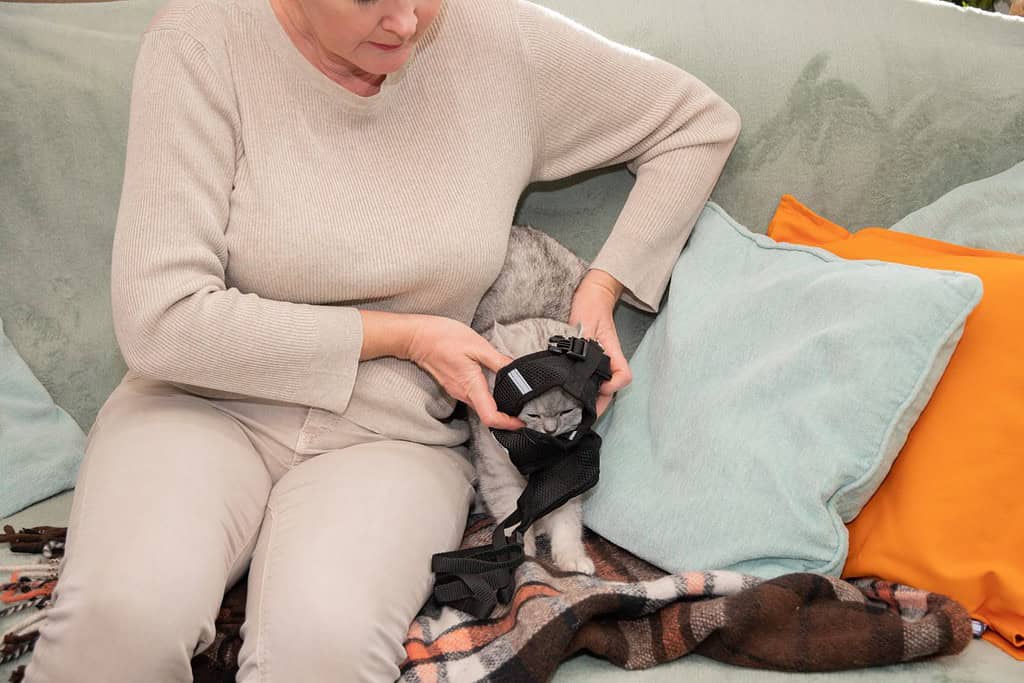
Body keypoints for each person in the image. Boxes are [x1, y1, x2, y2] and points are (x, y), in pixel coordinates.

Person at [24, 0, 740, 680]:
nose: (405, 22)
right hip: (201, 404)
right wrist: (405, 335)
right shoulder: (201, 40)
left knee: (323, 650)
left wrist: (600, 291)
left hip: (395, 436)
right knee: (119, 624)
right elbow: (159, 320)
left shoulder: (500, 41)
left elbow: (695, 123)